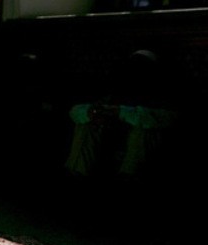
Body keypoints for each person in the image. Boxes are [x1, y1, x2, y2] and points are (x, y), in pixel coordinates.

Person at [65, 49, 177, 181]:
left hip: (139, 158)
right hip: (109, 148)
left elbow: (165, 118)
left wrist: (119, 112)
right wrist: (92, 113)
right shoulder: (116, 95)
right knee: (88, 124)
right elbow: (76, 111)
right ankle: (75, 173)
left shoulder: (163, 98)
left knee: (145, 128)